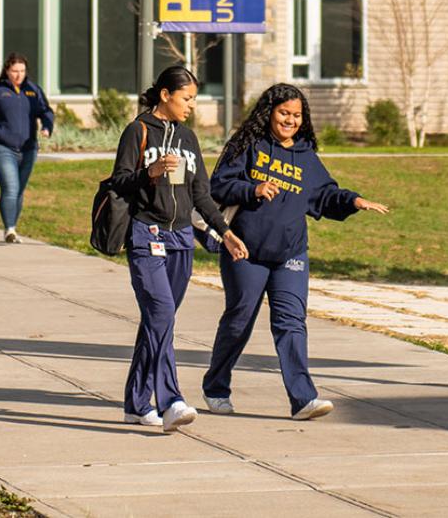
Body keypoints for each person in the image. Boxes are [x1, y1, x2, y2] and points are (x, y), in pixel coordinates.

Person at [206, 83, 389, 421]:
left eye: (296, 115)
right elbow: (218, 184)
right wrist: (253, 188)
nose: (290, 120)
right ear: (269, 113)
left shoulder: (305, 155)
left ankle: (303, 399)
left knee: (291, 322)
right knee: (240, 319)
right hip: (245, 250)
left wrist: (354, 200)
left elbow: (324, 194)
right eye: (283, 113)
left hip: (291, 253)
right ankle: (216, 386)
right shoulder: (248, 145)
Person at [110, 66, 248, 432]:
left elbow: (201, 193)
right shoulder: (137, 131)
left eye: (194, 99)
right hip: (145, 234)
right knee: (162, 312)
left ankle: (136, 404)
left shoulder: (187, 138)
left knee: (158, 321)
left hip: (181, 239)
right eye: (186, 98)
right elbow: (120, 180)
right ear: (165, 95)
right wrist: (149, 172)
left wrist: (225, 233)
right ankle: (170, 399)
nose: (191, 105)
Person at [0, 53, 54, 243]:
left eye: (22, 71)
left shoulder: (33, 90)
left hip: (28, 148)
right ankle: (9, 229)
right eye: (14, 71)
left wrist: (46, 126)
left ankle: (13, 227)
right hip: (2, 147)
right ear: (7, 71)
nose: (18, 75)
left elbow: (46, 111)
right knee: (10, 187)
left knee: (18, 190)